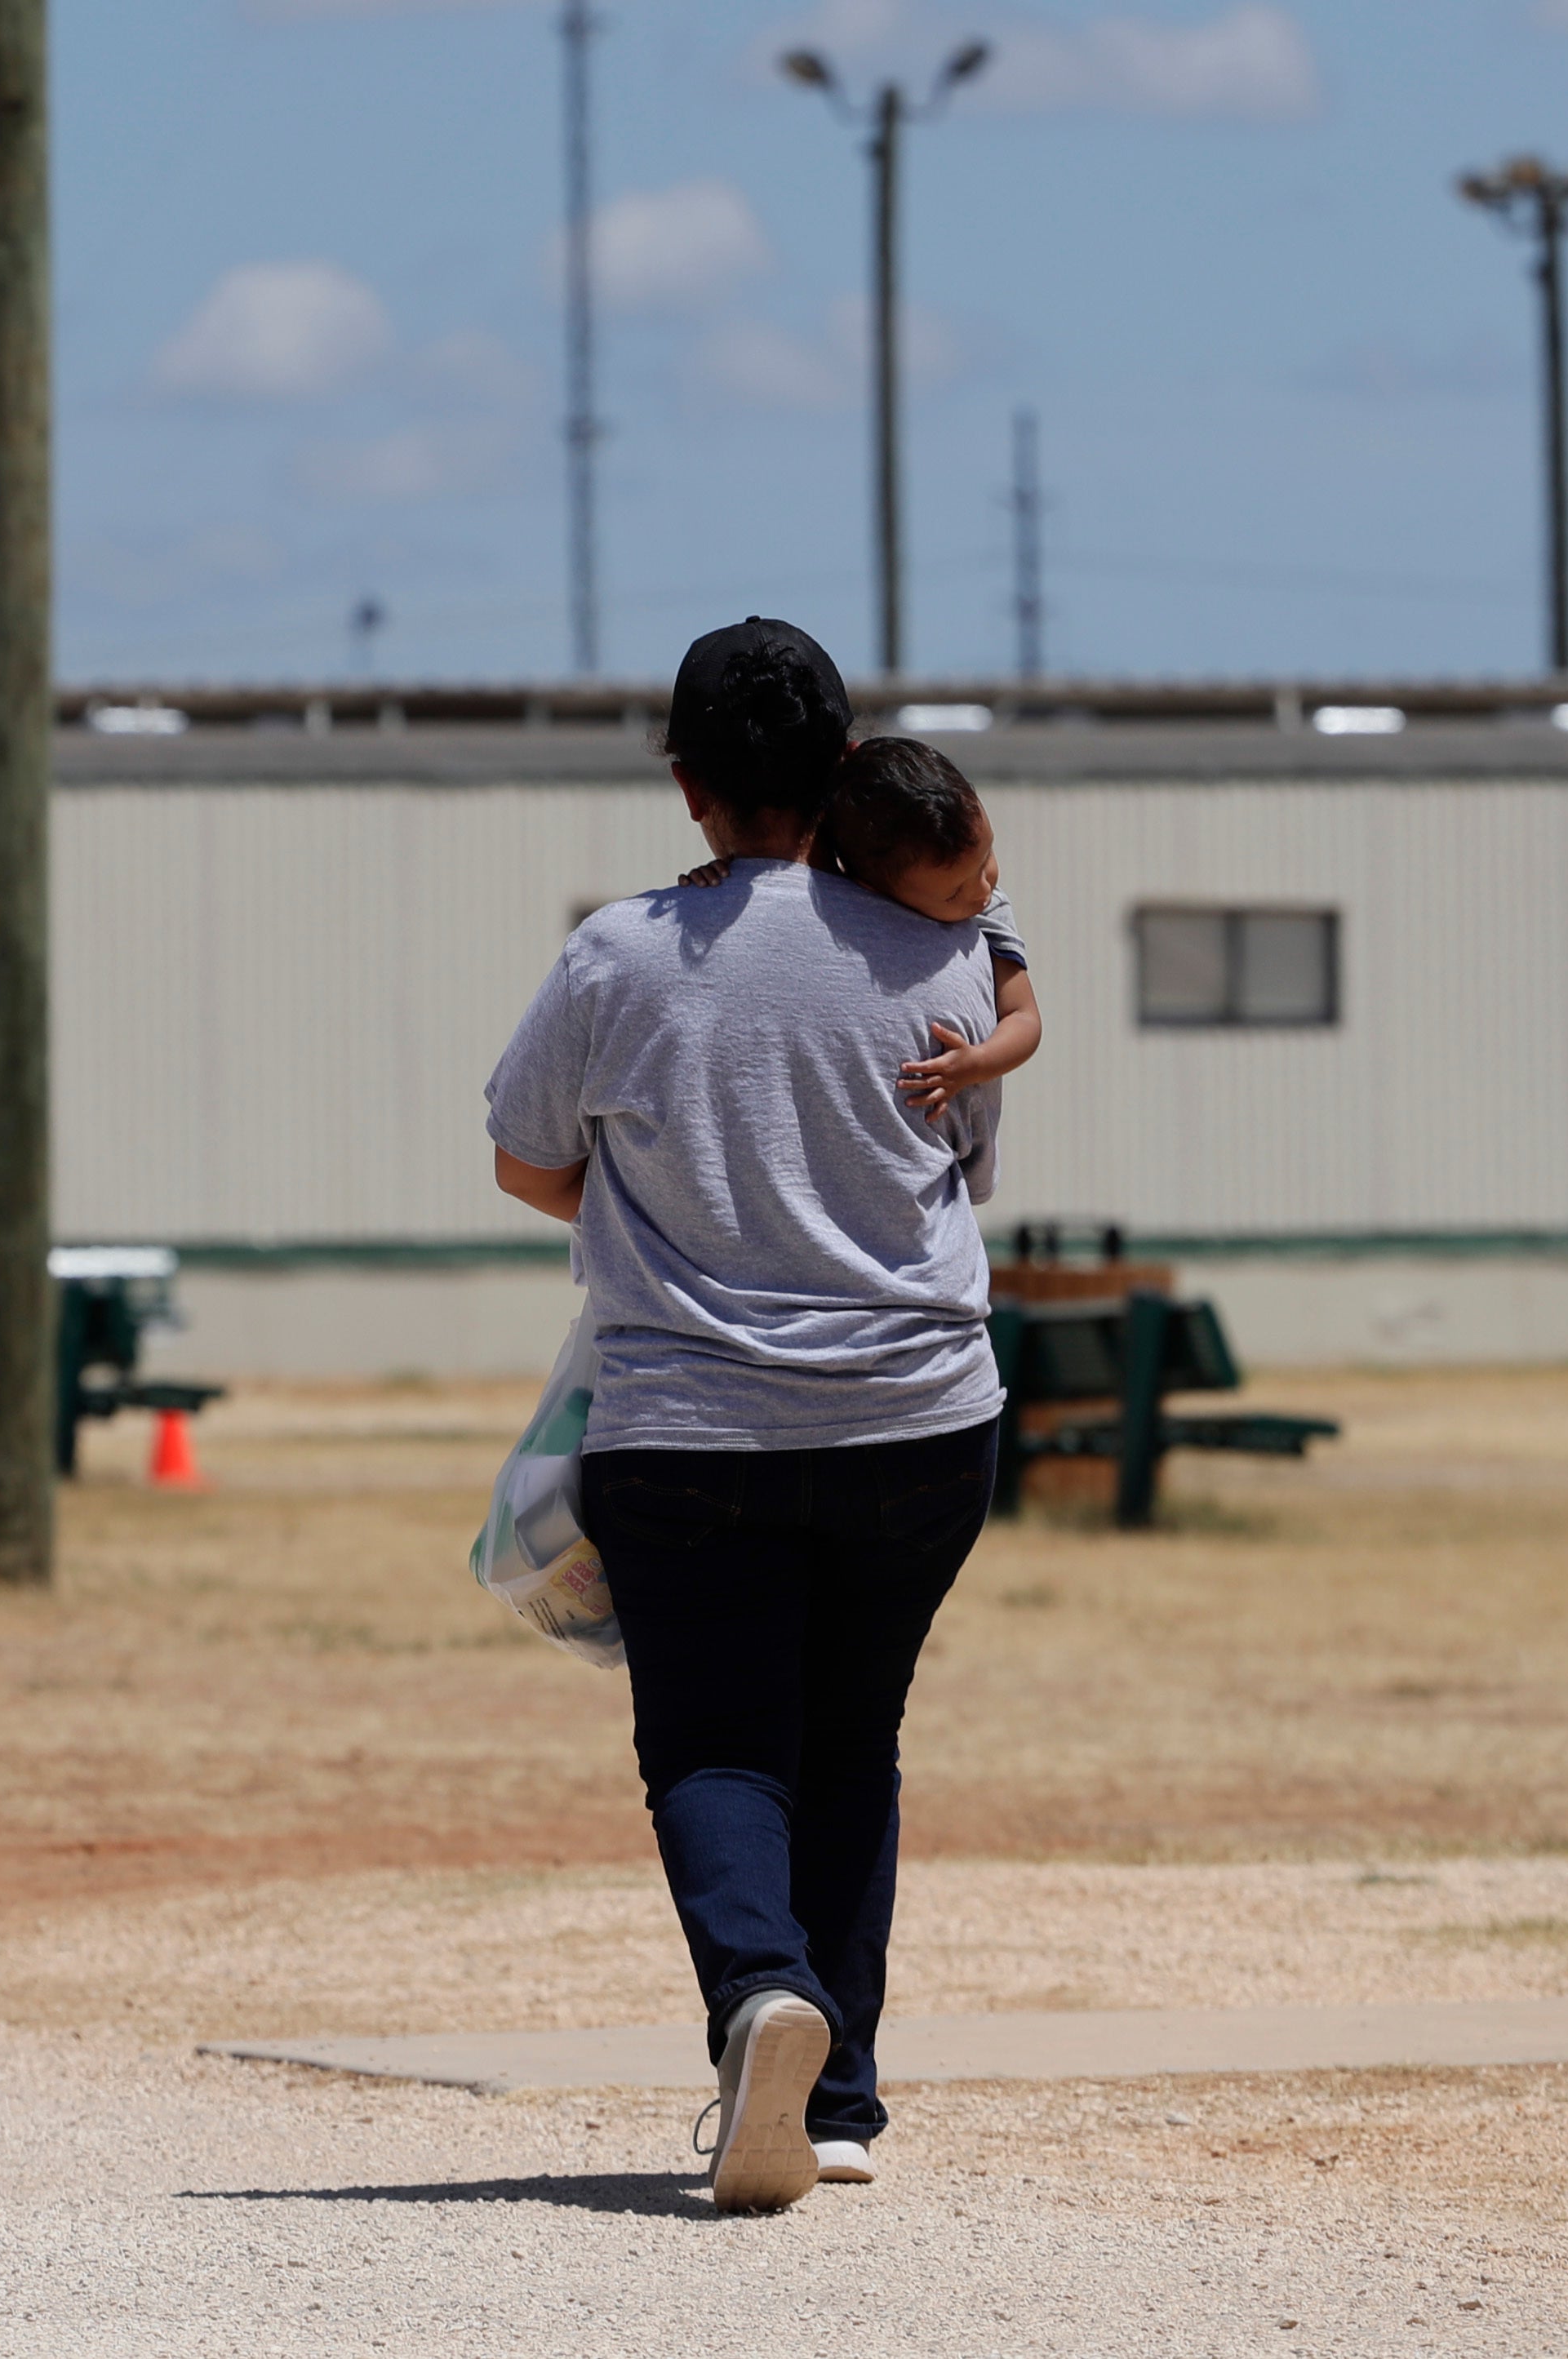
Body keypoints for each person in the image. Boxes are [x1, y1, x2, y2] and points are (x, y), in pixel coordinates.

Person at [483, 617, 1007, 2214]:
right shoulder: (942, 951)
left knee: (714, 1737)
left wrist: (633, 1199)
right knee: (852, 1731)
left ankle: (759, 1995)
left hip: (688, 1420)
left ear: (684, 781)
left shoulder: (616, 952)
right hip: (921, 1415)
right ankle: (835, 2101)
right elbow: (958, 1171)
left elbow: (521, 1157)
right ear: (842, 764)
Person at [679, 733, 1040, 1124]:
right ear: (871, 890)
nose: (985, 890)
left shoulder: (988, 916)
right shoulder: (842, 903)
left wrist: (976, 1063)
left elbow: (1024, 1018)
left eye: (987, 857)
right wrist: (719, 879)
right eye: (955, 893)